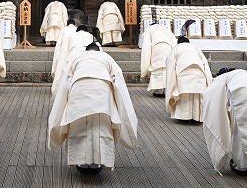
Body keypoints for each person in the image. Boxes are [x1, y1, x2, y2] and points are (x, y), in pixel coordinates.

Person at [48, 42, 138, 174]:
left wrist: (66, 95)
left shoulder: (76, 57)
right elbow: (116, 78)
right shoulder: (106, 57)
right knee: (101, 125)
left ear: (86, 50)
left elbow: (66, 80)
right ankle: (98, 162)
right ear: (98, 50)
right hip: (102, 91)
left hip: (79, 89)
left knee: (78, 124)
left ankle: (81, 162)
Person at [165, 24, 212, 122]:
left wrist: (170, 86)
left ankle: (184, 117)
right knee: (196, 96)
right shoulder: (196, 48)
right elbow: (205, 64)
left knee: (184, 96)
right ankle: (196, 117)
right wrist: (209, 81)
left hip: (183, 74)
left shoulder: (175, 49)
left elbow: (170, 66)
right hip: (199, 74)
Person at [50, 24, 95, 95]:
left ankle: (69, 92)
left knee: (69, 77)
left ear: (77, 31)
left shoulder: (71, 36)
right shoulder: (91, 36)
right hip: (88, 59)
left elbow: (63, 54)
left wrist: (57, 70)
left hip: (73, 59)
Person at [140, 20, 176, 97]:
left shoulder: (149, 29)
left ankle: (158, 91)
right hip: (167, 48)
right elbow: (173, 40)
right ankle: (167, 91)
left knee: (157, 68)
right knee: (167, 69)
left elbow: (146, 45)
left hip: (156, 49)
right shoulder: (165, 29)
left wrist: (145, 64)